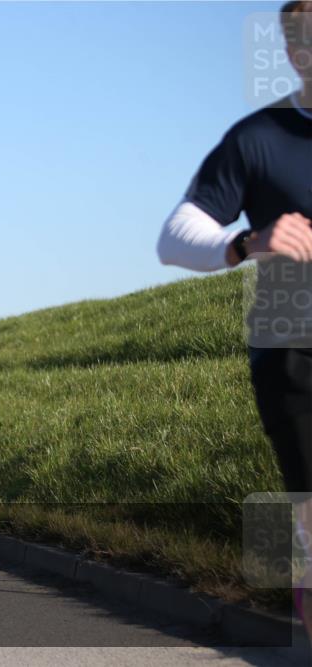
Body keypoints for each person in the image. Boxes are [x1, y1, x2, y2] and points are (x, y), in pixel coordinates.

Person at [156, 0, 312, 636]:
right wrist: (248, 241)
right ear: (293, 53)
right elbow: (174, 236)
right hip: (292, 351)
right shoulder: (257, 139)